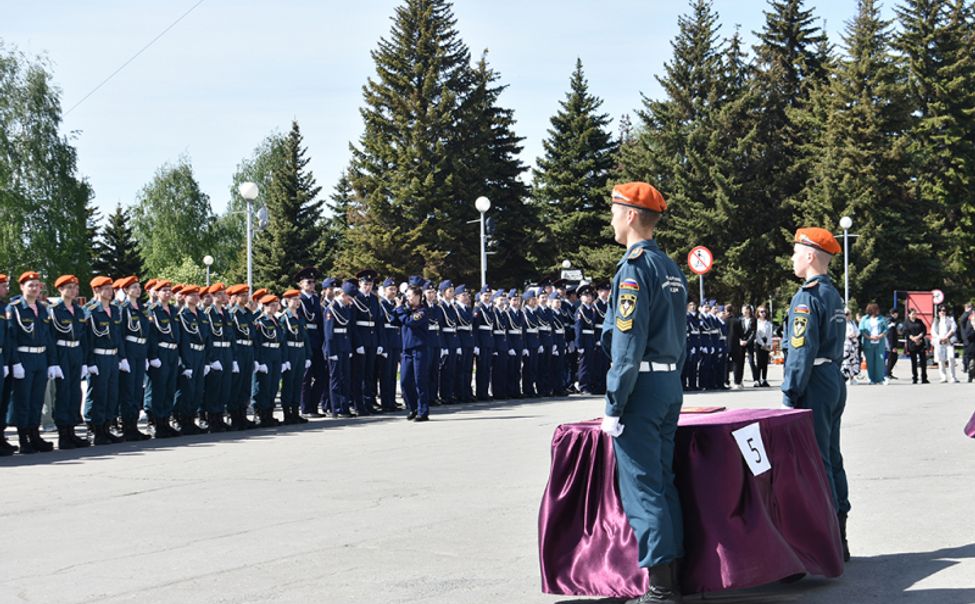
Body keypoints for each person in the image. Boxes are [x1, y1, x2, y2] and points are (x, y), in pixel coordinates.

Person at [597, 183, 686, 604]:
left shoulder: (634, 268)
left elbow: (626, 346)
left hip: (642, 387)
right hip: (668, 382)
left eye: (615, 210)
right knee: (663, 482)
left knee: (643, 487)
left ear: (632, 215)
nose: (612, 218)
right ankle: (674, 577)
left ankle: (661, 588)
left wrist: (615, 401)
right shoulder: (669, 267)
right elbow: (679, 336)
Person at [781, 227, 851, 562]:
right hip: (833, 377)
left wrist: (790, 393)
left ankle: (827, 541)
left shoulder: (806, 297)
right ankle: (841, 530)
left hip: (814, 381)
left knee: (817, 460)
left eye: (796, 252)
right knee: (832, 456)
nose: (792, 258)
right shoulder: (832, 294)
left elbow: (800, 352)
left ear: (810, 256)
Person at [48, 275, 91, 449]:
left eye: (75, 288)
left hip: (76, 352)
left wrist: (84, 361)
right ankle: (63, 434)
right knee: (63, 393)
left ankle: (72, 430)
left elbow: (84, 338)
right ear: (60, 289)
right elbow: (50, 338)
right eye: (69, 287)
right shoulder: (54, 310)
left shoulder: (79, 311)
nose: (73, 291)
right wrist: (53, 362)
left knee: (75, 393)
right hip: (61, 351)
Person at [83, 276, 125, 445]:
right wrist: (90, 361)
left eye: (111, 288)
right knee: (97, 393)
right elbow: (87, 339)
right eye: (106, 288)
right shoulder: (90, 310)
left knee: (111, 394)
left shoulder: (115, 310)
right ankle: (94, 428)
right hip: (98, 356)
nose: (111, 291)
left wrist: (122, 358)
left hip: (112, 356)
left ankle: (106, 427)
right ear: (96, 290)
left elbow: (118, 336)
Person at [146, 280, 183, 436]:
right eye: (164, 291)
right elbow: (152, 335)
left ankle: (165, 421)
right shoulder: (153, 310)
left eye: (169, 291)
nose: (168, 293)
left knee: (169, 388)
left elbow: (178, 334)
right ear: (157, 293)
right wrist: (153, 356)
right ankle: (157, 422)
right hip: (160, 352)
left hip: (172, 352)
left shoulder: (174, 311)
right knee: (158, 388)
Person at [396, 281, 431, 421]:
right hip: (406, 350)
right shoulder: (406, 310)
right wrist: (399, 307)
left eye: (410, 296)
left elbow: (410, 322)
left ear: (418, 297)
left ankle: (423, 411)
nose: (408, 298)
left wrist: (400, 310)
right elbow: (395, 320)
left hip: (419, 350)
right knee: (404, 381)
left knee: (420, 381)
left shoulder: (422, 311)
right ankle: (413, 407)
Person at [202, 283, 235, 432]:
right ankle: (212, 419)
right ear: (214, 296)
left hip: (227, 350)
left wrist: (233, 358)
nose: (224, 296)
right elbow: (207, 337)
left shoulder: (226, 313)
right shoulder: (208, 313)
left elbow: (231, 336)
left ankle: (220, 416)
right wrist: (211, 358)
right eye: (220, 294)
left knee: (225, 387)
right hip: (216, 351)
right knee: (214, 388)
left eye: (224, 294)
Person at [296, 267, 327, 418]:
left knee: (321, 375)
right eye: (308, 282)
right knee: (306, 377)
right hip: (305, 340)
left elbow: (320, 322)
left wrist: (323, 341)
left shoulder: (315, 300)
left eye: (314, 282)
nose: (312, 285)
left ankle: (314, 406)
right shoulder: (299, 300)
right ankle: (305, 408)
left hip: (316, 341)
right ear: (301, 284)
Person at [324, 281, 355, 418]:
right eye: (349, 298)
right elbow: (329, 334)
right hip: (335, 348)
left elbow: (346, 330)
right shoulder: (331, 309)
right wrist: (331, 352)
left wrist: (348, 348)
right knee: (336, 379)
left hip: (344, 346)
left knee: (346, 378)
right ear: (343, 294)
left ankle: (344, 406)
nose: (351, 301)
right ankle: (336, 408)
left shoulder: (344, 308)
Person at [280, 289, 311, 424]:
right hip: (290, 351)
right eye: (294, 299)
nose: (297, 302)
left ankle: (295, 411)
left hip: (300, 351)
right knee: (289, 383)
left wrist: (308, 356)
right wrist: (285, 359)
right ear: (287, 301)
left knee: (298, 382)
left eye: (298, 299)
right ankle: (287, 413)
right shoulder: (284, 318)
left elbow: (306, 339)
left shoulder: (300, 318)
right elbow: (283, 341)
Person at [378, 277, 403, 411]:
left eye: (395, 289)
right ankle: (385, 402)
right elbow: (381, 326)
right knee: (385, 374)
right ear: (384, 290)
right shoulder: (382, 304)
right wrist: (382, 344)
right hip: (386, 341)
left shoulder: (396, 304)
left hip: (395, 340)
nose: (393, 292)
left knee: (393, 373)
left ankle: (391, 400)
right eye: (390, 289)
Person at [473, 286, 496, 400]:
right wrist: (476, 344)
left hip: (489, 341)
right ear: (481, 296)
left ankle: (485, 392)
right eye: (485, 295)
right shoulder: (478, 309)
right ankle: (480, 393)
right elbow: (475, 329)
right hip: (481, 341)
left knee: (487, 368)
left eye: (489, 295)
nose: (487, 298)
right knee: (481, 368)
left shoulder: (491, 309)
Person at [858, 303, 888, 385]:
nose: (878, 311)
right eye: (876, 309)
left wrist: (880, 336)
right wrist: (869, 337)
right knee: (870, 362)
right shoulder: (865, 319)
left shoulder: (882, 319)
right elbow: (861, 330)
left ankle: (880, 379)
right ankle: (872, 379)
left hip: (879, 343)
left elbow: (886, 330)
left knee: (880, 361)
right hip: (868, 343)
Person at [729, 304, 755, 389]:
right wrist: (740, 340)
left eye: (747, 310)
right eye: (744, 310)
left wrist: (747, 341)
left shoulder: (753, 320)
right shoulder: (739, 320)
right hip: (740, 343)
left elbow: (753, 332)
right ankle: (739, 380)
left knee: (751, 361)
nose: (745, 311)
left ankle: (756, 379)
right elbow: (738, 332)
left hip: (749, 343)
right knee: (740, 362)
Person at [931, 305, 959, 383]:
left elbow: (953, 329)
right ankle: (943, 377)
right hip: (939, 342)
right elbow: (933, 332)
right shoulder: (936, 321)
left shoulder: (950, 319)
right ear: (938, 312)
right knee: (941, 360)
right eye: (940, 311)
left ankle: (953, 377)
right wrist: (940, 339)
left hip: (949, 341)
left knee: (951, 358)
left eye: (944, 310)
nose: (942, 312)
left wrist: (946, 337)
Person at [904, 308, 929, 384]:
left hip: (920, 342)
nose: (914, 315)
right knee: (914, 362)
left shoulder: (919, 321)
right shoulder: (906, 322)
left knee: (923, 361)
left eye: (915, 313)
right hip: (912, 343)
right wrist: (913, 338)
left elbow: (924, 330)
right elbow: (906, 332)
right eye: (913, 314)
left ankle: (924, 378)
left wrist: (919, 337)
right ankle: (915, 377)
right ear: (909, 314)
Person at [841, 309, 862, 385]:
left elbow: (858, 331)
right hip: (846, 345)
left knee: (853, 361)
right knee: (846, 362)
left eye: (849, 314)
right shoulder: (842, 323)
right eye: (846, 314)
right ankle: (846, 378)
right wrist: (848, 336)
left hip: (854, 345)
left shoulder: (852, 322)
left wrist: (855, 334)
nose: (848, 316)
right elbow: (841, 333)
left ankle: (852, 378)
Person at [753, 305, 773, 387]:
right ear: (758, 313)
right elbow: (756, 334)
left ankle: (764, 379)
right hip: (759, 343)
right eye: (761, 312)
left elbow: (769, 334)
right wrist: (762, 343)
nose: (763, 313)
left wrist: (768, 344)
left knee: (765, 362)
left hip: (766, 342)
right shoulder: (756, 322)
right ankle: (757, 379)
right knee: (759, 362)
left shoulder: (768, 323)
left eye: (764, 311)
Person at [885, 308, 902, 380]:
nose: (896, 315)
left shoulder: (891, 321)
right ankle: (887, 373)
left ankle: (888, 373)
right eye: (895, 313)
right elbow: (891, 335)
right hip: (891, 343)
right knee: (892, 358)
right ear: (892, 314)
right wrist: (893, 346)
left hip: (892, 343)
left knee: (893, 358)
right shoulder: (891, 321)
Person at [961, 310, 975, 382]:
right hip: (972, 347)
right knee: (971, 364)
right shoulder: (968, 325)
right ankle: (971, 376)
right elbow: (968, 335)